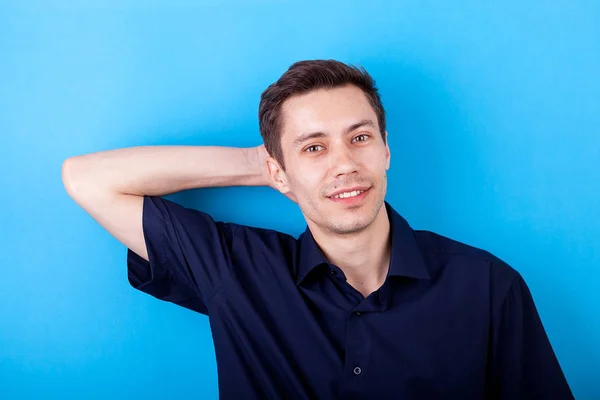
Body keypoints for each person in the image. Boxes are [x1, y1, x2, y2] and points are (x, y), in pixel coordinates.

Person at [62, 59, 573, 399]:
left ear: (386, 149)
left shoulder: (487, 286)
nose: (345, 164)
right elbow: (87, 178)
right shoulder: (237, 270)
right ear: (277, 171)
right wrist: (256, 165)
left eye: (360, 137)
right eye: (314, 147)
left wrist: (300, 163)